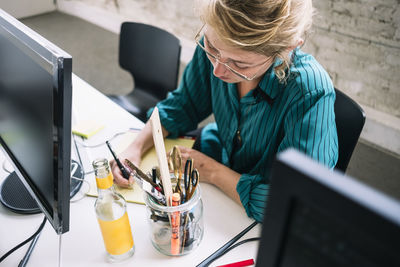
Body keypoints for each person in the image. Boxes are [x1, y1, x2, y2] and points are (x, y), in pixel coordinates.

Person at [111, 0, 338, 222]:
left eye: (240, 64)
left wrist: (212, 172)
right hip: (217, 158)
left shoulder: (310, 91)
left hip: (254, 216)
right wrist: (135, 148)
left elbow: (292, 203)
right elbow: (182, 105)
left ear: (286, 49)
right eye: (211, 47)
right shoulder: (219, 46)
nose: (218, 70)